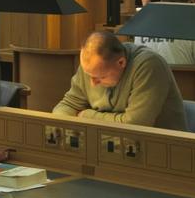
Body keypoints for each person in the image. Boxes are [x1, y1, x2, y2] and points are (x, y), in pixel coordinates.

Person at [54, 31, 186, 130]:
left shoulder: (149, 66)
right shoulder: (92, 68)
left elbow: (134, 125)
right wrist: (59, 126)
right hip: (107, 147)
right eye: (89, 75)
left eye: (101, 77)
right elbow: (68, 105)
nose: (92, 83)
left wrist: (87, 116)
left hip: (160, 151)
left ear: (121, 62)